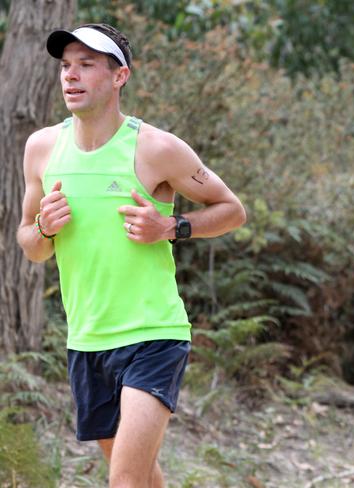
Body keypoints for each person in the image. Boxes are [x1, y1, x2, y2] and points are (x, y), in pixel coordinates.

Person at [17, 23, 246, 487]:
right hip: (86, 340)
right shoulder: (42, 148)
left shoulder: (155, 148)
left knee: (123, 480)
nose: (71, 76)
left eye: (86, 65)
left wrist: (172, 226)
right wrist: (44, 225)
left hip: (153, 335)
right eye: (65, 66)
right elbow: (31, 245)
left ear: (120, 76)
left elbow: (231, 210)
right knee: (141, 477)